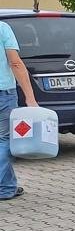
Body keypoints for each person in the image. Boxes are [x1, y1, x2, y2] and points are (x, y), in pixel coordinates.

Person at [1, 19, 39, 200]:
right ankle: (4, 187)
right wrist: (30, 98)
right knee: (4, 140)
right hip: (3, 93)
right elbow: (15, 63)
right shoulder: (2, 28)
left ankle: (7, 187)